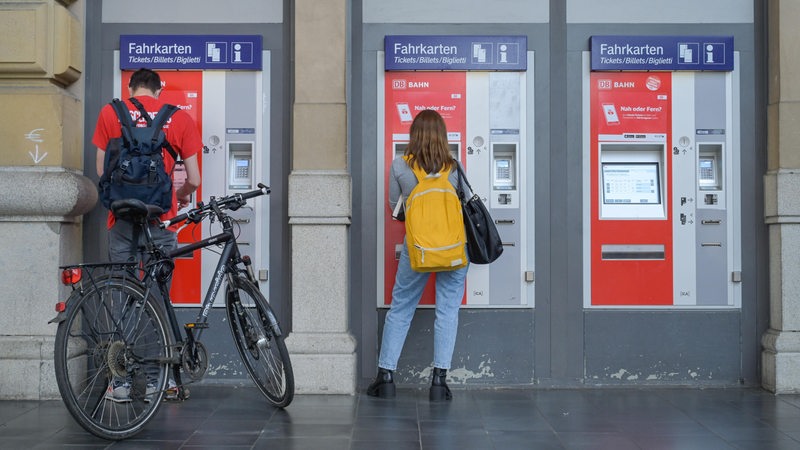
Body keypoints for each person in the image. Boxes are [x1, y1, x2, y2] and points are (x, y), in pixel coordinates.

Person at [92, 68, 202, 402]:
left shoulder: (111, 112)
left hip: (122, 221)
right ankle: (161, 380)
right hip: (159, 221)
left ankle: (122, 383)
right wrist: (180, 195)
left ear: (131, 87)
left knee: (123, 298)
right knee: (155, 299)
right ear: (159, 90)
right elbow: (194, 178)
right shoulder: (179, 119)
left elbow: (101, 171)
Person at [367, 109, 470, 401]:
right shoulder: (455, 167)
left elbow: (394, 209)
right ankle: (439, 383)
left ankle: (386, 378)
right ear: (443, 136)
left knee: (401, 309)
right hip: (453, 250)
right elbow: (465, 206)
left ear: (413, 136)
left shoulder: (400, 165)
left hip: (419, 249)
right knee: (447, 312)